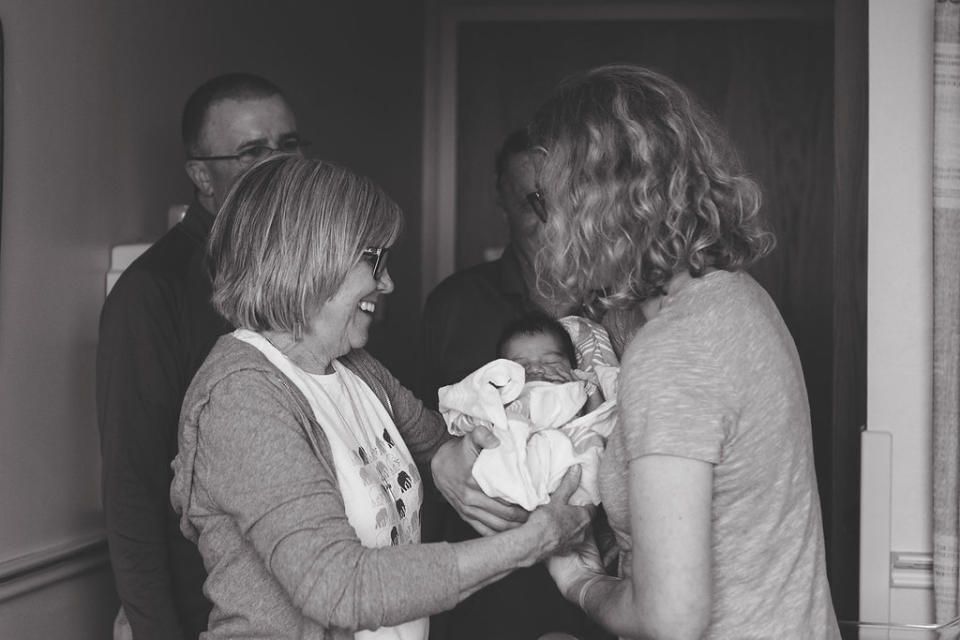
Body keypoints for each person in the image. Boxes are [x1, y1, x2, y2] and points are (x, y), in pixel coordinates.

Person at [169, 154, 592, 639]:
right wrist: (531, 543)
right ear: (312, 257)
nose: (387, 282)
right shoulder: (241, 397)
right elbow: (338, 587)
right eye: (374, 260)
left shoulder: (353, 366)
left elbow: (442, 448)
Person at [526, 64, 842, 639]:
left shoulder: (672, 353)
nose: (543, 229)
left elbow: (672, 621)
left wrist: (582, 583)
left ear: (597, 205)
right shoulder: (740, 302)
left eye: (546, 202)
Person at [96, 72, 304, 639]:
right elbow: (133, 487)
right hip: (194, 614)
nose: (279, 164)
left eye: (288, 145)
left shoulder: (304, 283)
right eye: (252, 151)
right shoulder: (152, 291)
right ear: (201, 176)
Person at [421, 132, 612, 640]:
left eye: (559, 198)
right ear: (499, 196)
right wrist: (443, 461)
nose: (548, 216)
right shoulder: (453, 306)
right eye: (531, 200)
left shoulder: (615, 301)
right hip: (489, 587)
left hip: (601, 576)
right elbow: (410, 429)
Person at [438, 312, 618, 510]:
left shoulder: (579, 384)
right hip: (515, 460)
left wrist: (587, 390)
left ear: (572, 367)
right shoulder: (501, 394)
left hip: (570, 462)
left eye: (551, 362)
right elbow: (473, 413)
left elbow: (600, 418)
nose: (537, 369)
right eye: (522, 365)